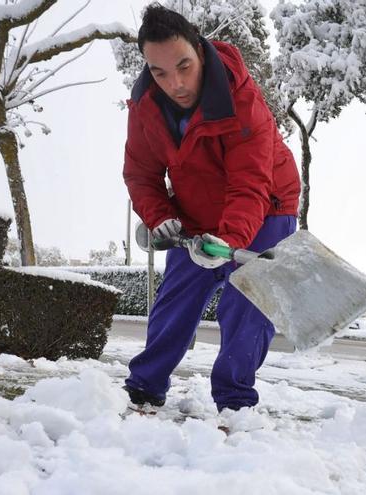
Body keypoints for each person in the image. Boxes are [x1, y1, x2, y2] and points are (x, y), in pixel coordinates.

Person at [122, 4, 300, 412]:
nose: (176, 83)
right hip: (195, 208)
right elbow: (141, 174)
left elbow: (250, 183)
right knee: (176, 298)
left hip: (266, 205)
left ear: (199, 50)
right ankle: (144, 389)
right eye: (160, 72)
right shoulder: (145, 107)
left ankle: (235, 403)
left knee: (247, 303)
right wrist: (160, 217)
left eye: (183, 66)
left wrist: (229, 239)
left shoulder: (242, 100)